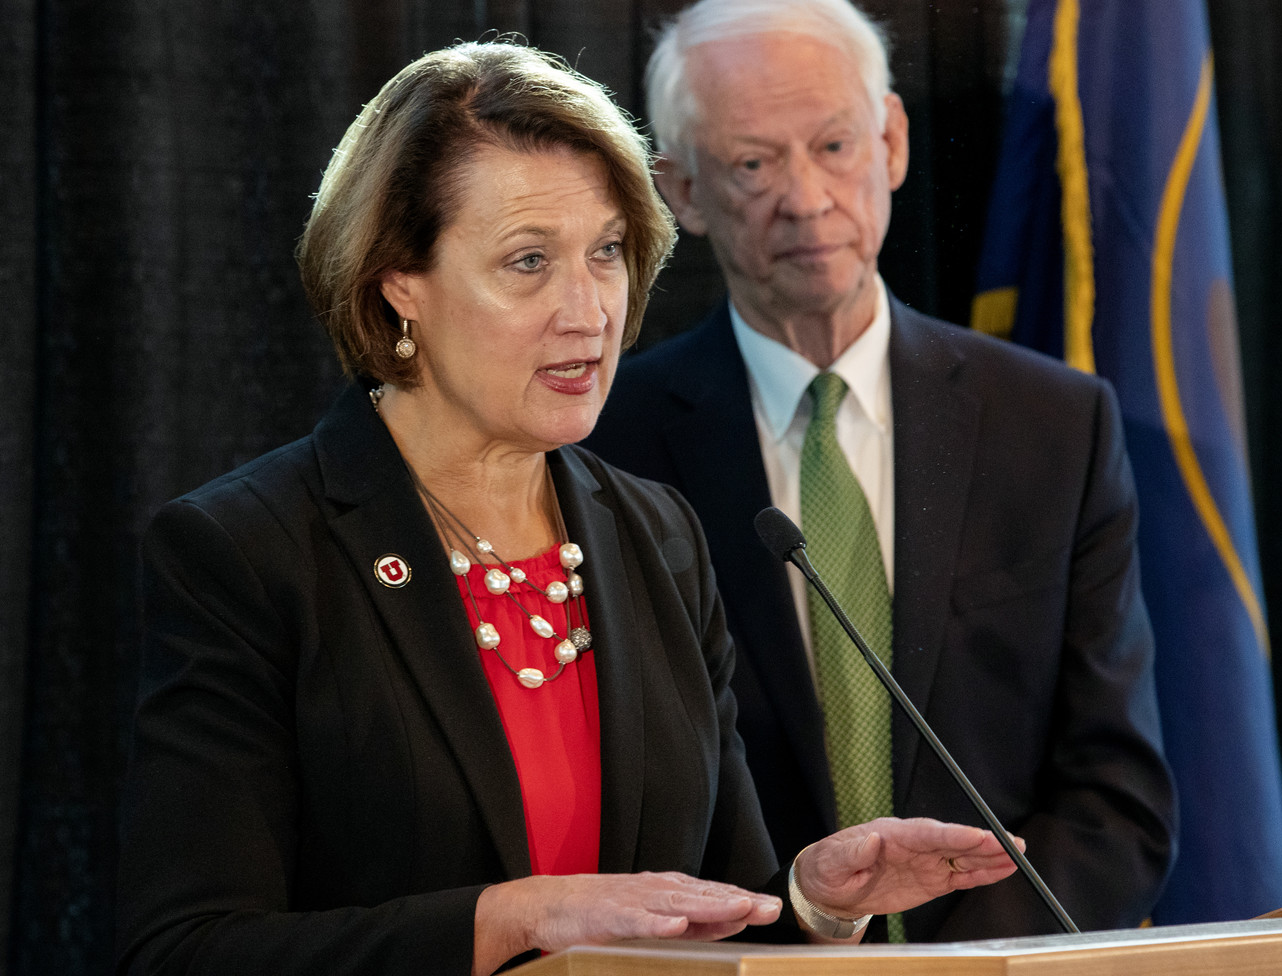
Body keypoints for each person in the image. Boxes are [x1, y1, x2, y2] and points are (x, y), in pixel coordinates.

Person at [115, 40, 1023, 976]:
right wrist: (514, 918)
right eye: (528, 261)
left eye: (606, 252)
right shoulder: (250, 553)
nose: (588, 311)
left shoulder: (657, 536)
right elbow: (183, 951)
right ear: (399, 283)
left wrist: (811, 903)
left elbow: (712, 916)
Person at [583, 0, 1177, 942]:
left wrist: (965, 969)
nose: (807, 198)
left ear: (892, 141)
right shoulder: (605, 447)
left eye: (834, 146)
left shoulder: (1056, 426)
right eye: (753, 164)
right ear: (681, 191)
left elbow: (1118, 798)